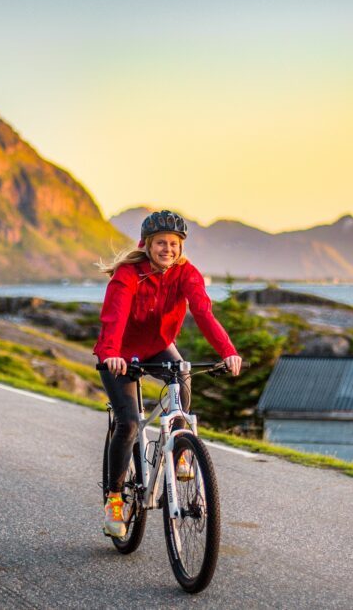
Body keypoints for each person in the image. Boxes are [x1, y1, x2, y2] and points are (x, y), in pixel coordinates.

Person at [94, 210, 242, 538]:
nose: (168, 249)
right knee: (129, 422)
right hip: (119, 353)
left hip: (160, 346)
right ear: (146, 244)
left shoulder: (187, 273)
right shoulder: (127, 274)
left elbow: (203, 313)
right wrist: (111, 356)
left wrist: (228, 351)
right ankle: (115, 500)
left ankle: (177, 452)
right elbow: (114, 319)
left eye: (174, 244)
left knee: (183, 379)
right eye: (161, 243)